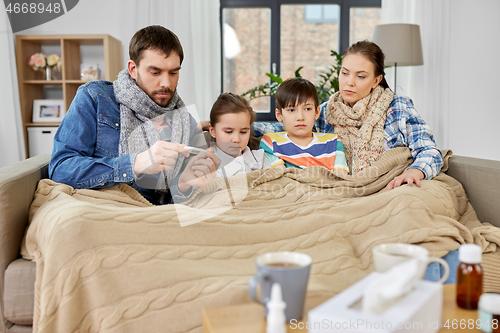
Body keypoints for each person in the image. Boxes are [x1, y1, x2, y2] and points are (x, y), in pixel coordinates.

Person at [49, 25, 220, 205]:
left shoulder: (186, 122)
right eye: (155, 72)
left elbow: (170, 203)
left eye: (173, 72)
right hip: (101, 209)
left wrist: (185, 184)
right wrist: (135, 164)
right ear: (132, 69)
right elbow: (60, 169)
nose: (166, 83)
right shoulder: (95, 98)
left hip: (150, 218)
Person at [253, 41, 443, 190]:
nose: (349, 82)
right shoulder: (327, 111)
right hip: (343, 189)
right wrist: (238, 127)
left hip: (388, 185)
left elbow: (429, 150)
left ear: (376, 80)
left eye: (360, 76)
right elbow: (287, 126)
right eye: (345, 73)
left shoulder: (397, 107)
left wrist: (415, 172)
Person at [259, 78, 349, 176]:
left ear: (317, 112)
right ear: (279, 115)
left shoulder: (333, 142)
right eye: (291, 110)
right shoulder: (271, 142)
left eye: (307, 109)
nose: (300, 117)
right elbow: (280, 176)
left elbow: (341, 178)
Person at [208, 93, 271, 178]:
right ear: (212, 131)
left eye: (243, 132)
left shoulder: (260, 159)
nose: (236, 139)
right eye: (228, 132)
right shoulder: (205, 163)